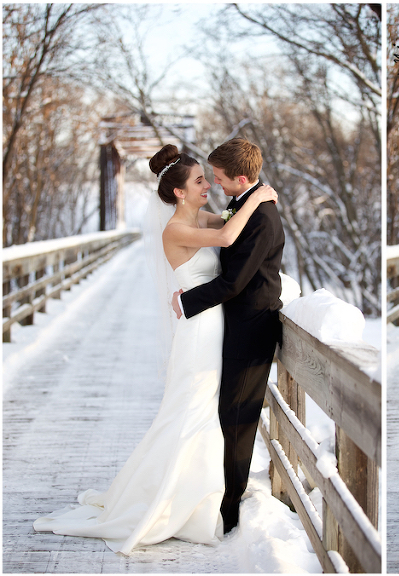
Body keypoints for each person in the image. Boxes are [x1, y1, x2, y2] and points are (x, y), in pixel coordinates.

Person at [33, 144, 278, 554]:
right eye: (200, 180)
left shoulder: (199, 216)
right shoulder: (175, 230)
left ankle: (202, 491)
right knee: (193, 408)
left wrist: (252, 197)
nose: (207, 186)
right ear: (179, 192)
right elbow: (226, 235)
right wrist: (259, 195)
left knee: (205, 410)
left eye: (208, 177)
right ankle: (179, 498)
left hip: (217, 324)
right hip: (199, 330)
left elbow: (235, 221)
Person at [172, 137, 285, 534]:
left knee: (236, 418)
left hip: (251, 328)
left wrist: (187, 303)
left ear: (241, 177)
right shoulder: (247, 205)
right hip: (236, 325)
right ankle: (220, 494)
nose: (215, 185)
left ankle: (230, 508)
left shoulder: (262, 216)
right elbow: (222, 233)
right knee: (227, 414)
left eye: (219, 178)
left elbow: (235, 282)